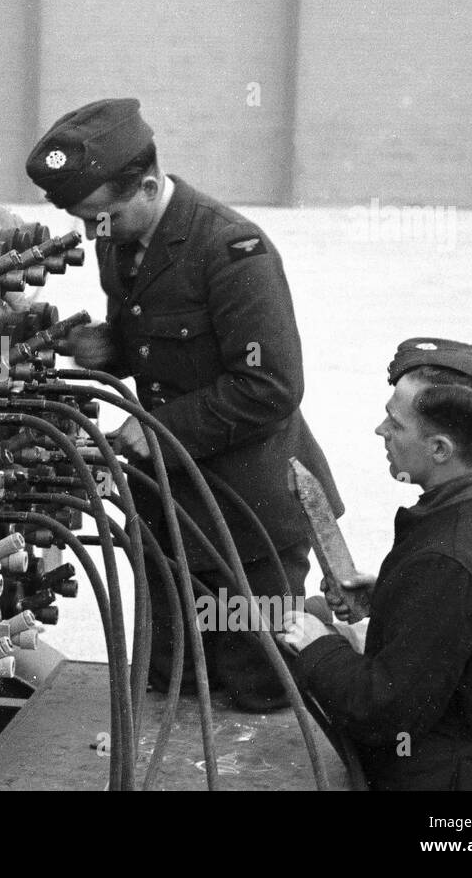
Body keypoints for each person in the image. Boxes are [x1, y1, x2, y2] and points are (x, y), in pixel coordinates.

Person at [25, 97, 343, 711]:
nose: (96, 232)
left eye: (104, 216)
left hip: (248, 512)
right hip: (171, 509)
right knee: (176, 682)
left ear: (147, 186)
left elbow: (272, 385)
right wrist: (104, 349)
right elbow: (155, 347)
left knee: (261, 686)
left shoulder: (232, 251)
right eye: (86, 220)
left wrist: (160, 430)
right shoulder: (118, 241)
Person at [280, 338, 472, 790]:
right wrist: (393, 595)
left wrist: (317, 645)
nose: (380, 430)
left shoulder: (446, 561)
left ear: (441, 448)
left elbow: (382, 710)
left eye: (395, 422)